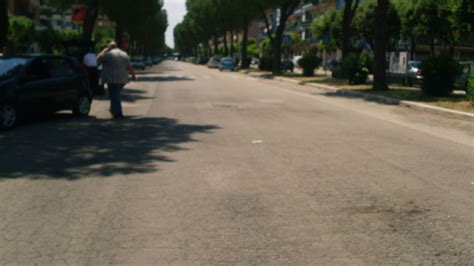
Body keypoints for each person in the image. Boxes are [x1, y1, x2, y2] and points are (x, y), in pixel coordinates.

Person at [97, 41, 136, 119]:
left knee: (115, 96)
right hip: (123, 79)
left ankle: (118, 114)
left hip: (112, 78)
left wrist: (105, 50)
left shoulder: (108, 54)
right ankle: (113, 110)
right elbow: (129, 66)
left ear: (110, 46)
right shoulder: (124, 53)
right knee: (115, 94)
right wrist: (133, 75)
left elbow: (98, 60)